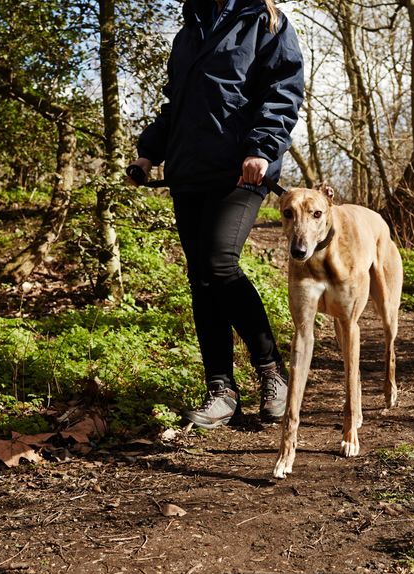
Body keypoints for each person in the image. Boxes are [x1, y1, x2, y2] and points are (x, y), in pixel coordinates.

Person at [129, 0, 304, 429]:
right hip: (189, 170)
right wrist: (148, 154)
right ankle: (221, 390)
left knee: (219, 263)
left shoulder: (267, 23)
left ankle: (272, 372)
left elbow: (282, 92)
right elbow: (177, 107)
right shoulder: (188, 32)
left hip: (242, 170)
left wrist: (262, 149)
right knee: (201, 278)